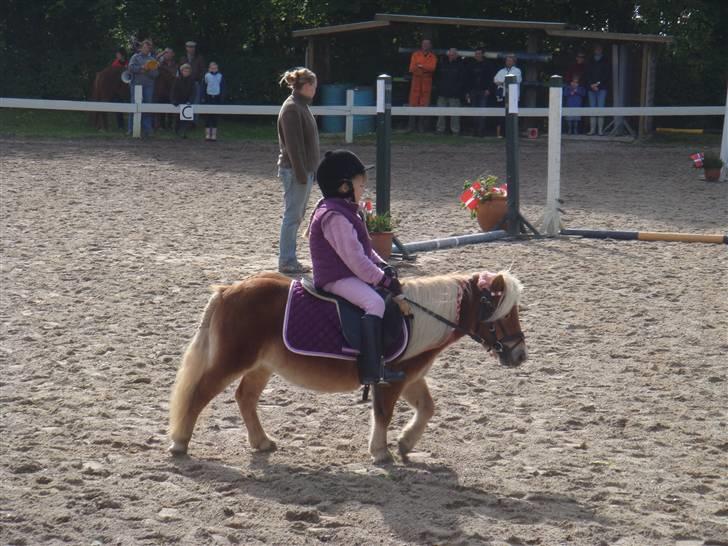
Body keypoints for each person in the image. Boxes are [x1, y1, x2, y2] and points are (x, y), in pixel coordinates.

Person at [308, 150, 405, 385]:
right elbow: (356, 261)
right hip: (335, 278)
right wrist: (383, 280)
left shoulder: (347, 211)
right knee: (374, 302)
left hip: (347, 272)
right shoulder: (335, 217)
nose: (363, 190)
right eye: (361, 186)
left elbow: (366, 250)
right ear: (344, 188)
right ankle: (372, 370)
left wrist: (383, 266)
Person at [277, 68, 320, 275]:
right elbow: (294, 147)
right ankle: (286, 260)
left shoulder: (300, 106)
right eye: (314, 85)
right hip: (295, 171)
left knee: (296, 216)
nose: (315, 89)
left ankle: (289, 259)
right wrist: (302, 174)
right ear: (307, 86)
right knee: (292, 216)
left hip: (302, 171)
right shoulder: (293, 108)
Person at [127, 39, 159, 137]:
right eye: (144, 47)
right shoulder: (135, 57)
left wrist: (150, 70)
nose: (146, 49)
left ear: (150, 49)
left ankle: (147, 129)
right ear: (141, 48)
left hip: (148, 86)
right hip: (136, 85)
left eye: (148, 48)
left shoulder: (153, 60)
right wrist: (142, 68)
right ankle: (131, 129)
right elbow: (130, 68)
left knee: (147, 106)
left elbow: (156, 75)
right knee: (133, 106)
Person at [407, 39, 437, 132]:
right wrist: (424, 68)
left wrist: (420, 66)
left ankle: (422, 129)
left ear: (430, 46)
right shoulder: (415, 55)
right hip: (416, 82)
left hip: (426, 83)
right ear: (421, 45)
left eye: (427, 44)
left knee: (424, 105)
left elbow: (432, 68)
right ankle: (411, 128)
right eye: (424, 44)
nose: (425, 45)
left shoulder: (433, 57)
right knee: (413, 104)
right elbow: (412, 68)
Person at [435, 48, 466, 135]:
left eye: (454, 54)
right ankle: (440, 130)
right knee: (441, 113)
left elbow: (462, 80)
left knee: (455, 114)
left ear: (456, 55)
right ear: (448, 55)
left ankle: (455, 131)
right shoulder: (442, 64)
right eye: (450, 54)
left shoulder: (461, 65)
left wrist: (457, 90)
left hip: (455, 95)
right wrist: (439, 88)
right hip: (442, 93)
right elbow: (437, 78)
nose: (452, 56)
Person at [465, 48, 494, 137]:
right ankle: (474, 131)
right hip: (473, 91)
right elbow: (467, 79)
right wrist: (467, 91)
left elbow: (491, 78)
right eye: (476, 53)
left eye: (479, 53)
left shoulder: (488, 65)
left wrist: (489, 89)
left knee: (482, 112)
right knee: (473, 112)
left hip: (483, 91)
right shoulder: (470, 65)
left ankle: (481, 132)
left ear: (482, 54)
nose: (477, 55)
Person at [582, 44, 610, 135]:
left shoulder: (605, 61)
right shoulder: (590, 61)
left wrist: (598, 84)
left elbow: (606, 74)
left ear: (601, 50)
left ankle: (600, 130)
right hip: (591, 88)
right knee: (592, 109)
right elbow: (587, 74)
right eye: (596, 49)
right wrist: (591, 84)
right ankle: (592, 130)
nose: (598, 50)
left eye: (599, 49)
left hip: (602, 88)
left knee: (601, 108)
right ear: (594, 50)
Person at [493, 54, 522, 138]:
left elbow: (517, 80)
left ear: (514, 62)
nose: (508, 62)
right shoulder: (501, 71)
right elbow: (495, 79)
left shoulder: (517, 71)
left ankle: (511, 134)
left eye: (510, 60)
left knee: (512, 115)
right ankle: (500, 134)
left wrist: (502, 82)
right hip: (502, 96)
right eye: (507, 60)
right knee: (501, 115)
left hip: (512, 97)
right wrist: (503, 82)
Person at [153, 48, 177, 130]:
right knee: (161, 109)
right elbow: (152, 61)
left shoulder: (175, 64)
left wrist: (162, 68)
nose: (167, 54)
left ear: (173, 54)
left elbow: (174, 74)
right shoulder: (159, 64)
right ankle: (162, 125)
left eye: (169, 52)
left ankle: (170, 125)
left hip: (171, 89)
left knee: (171, 108)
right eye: (165, 53)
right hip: (161, 90)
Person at [170, 64, 195, 138]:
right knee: (177, 118)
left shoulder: (192, 80)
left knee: (186, 119)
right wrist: (174, 100)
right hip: (178, 101)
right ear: (181, 71)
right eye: (185, 71)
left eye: (188, 71)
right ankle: (176, 132)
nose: (186, 72)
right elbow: (173, 91)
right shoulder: (177, 80)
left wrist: (190, 101)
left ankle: (184, 133)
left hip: (187, 101)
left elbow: (193, 92)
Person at [202, 62, 223, 141]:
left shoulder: (220, 76)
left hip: (216, 98)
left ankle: (214, 135)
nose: (214, 70)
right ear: (209, 69)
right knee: (207, 117)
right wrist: (203, 97)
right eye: (212, 68)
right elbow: (204, 87)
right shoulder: (206, 76)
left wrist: (221, 98)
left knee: (215, 117)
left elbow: (222, 87)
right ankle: (207, 135)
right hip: (208, 97)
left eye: (215, 68)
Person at [181, 41, 206, 106]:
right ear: (186, 48)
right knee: (184, 102)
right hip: (185, 83)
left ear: (195, 48)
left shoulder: (200, 58)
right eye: (189, 47)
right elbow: (180, 70)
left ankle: (196, 116)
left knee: (196, 102)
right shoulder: (183, 58)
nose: (191, 49)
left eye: (192, 47)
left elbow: (203, 70)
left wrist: (198, 79)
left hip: (196, 83)